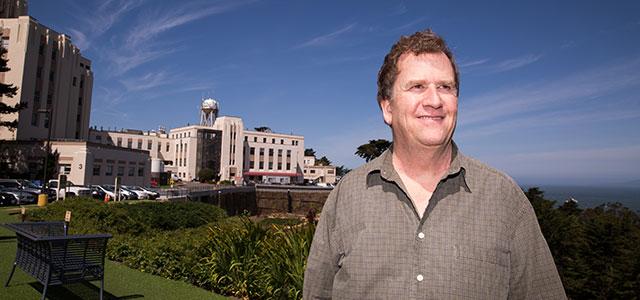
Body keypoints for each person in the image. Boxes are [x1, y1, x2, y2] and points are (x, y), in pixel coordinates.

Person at [303, 29, 566, 299]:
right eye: (417, 86)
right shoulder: (346, 195)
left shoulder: (505, 198)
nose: (435, 100)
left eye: (445, 87)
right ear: (387, 108)